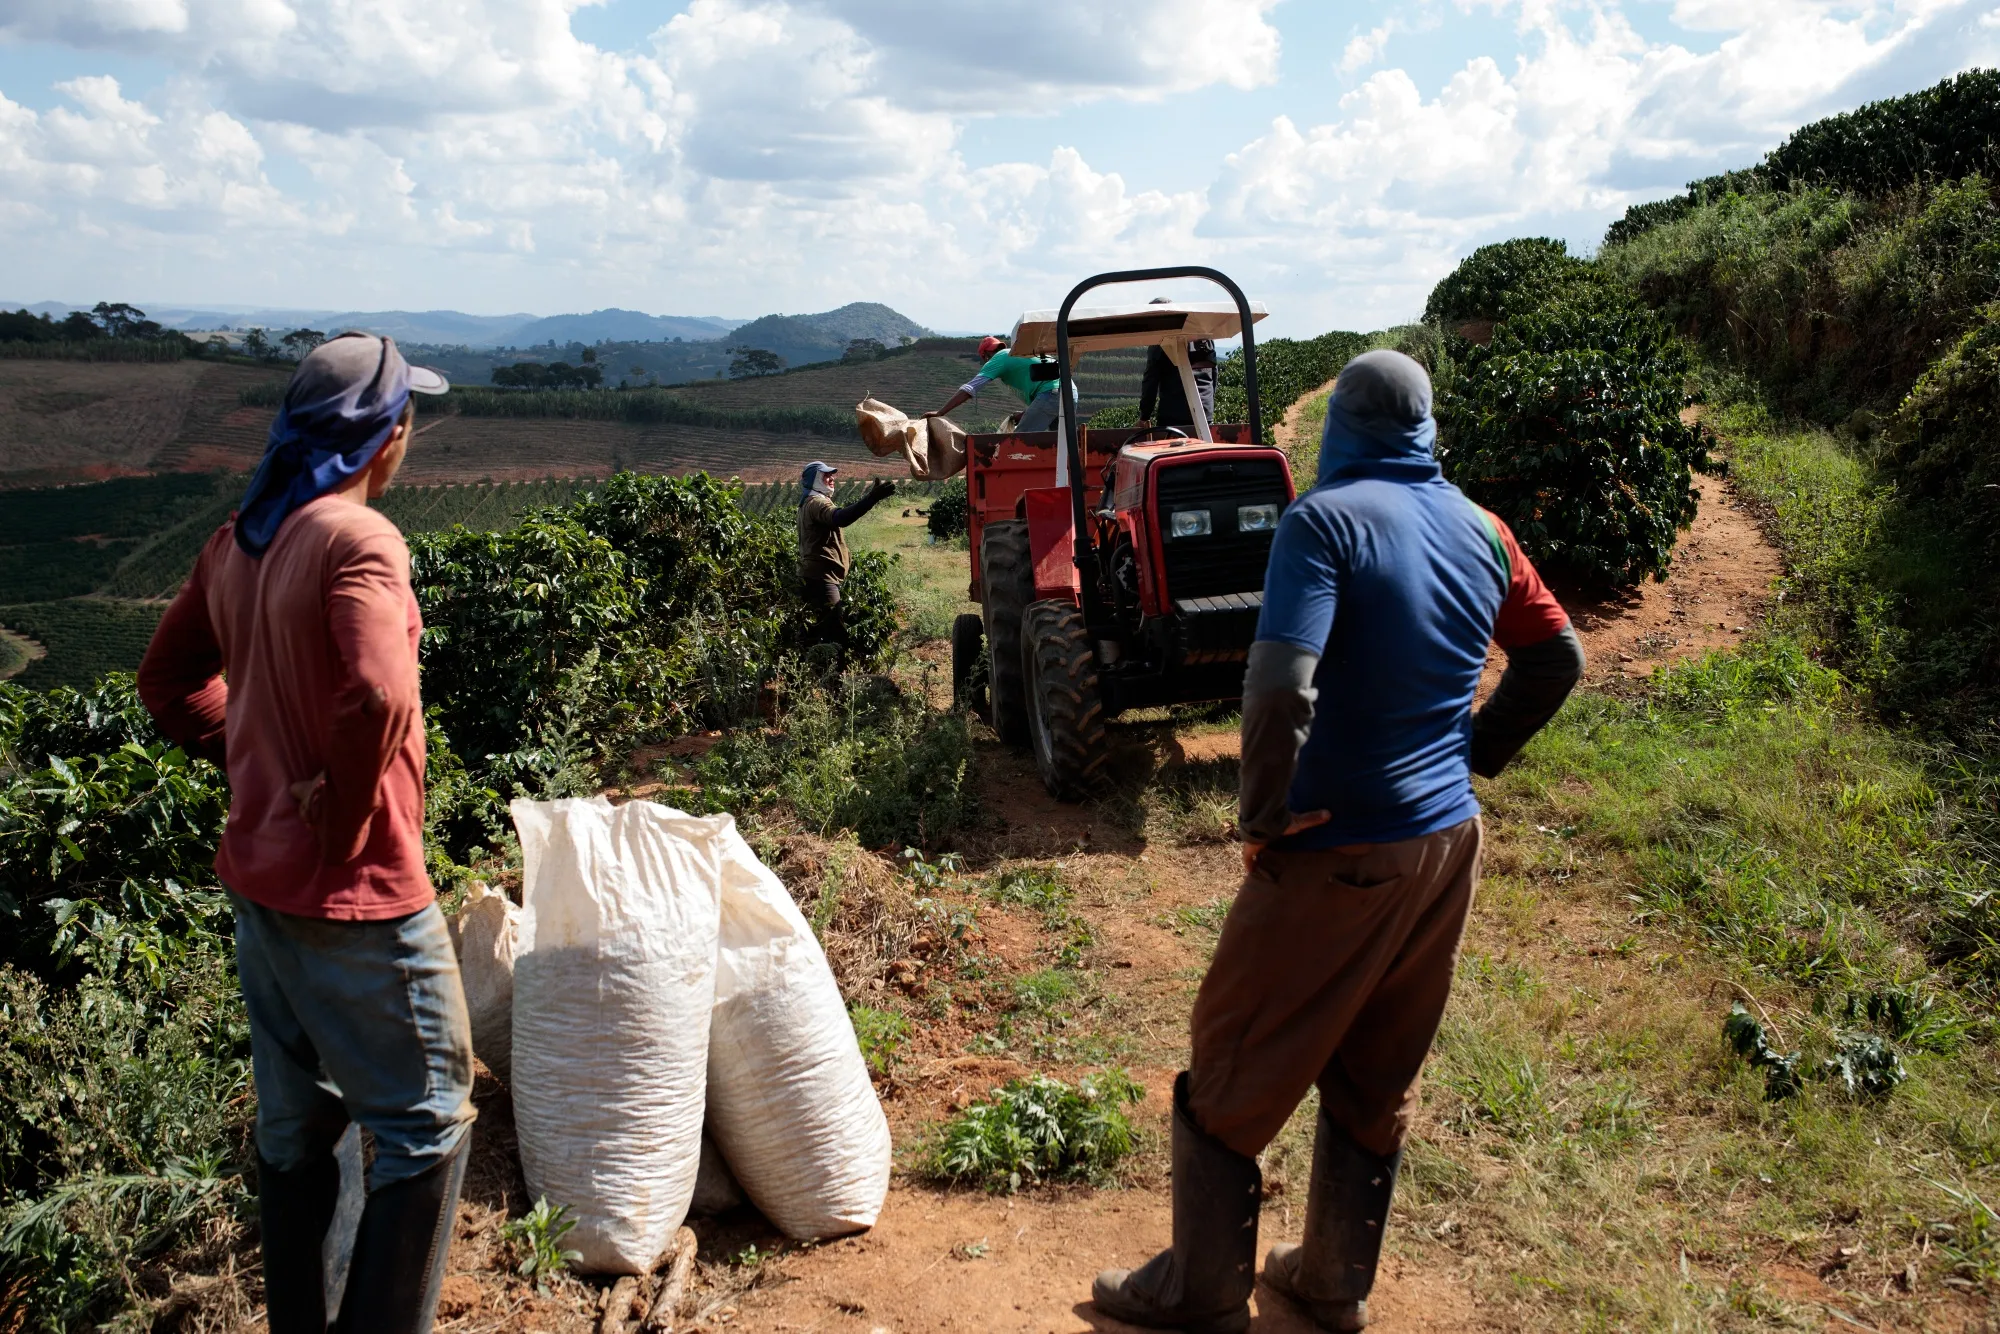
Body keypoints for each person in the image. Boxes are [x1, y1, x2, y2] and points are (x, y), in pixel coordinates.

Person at [1092, 350, 1585, 1334]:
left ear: (1340, 427)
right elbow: (1555, 657)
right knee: (1374, 1067)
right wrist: (1470, 753)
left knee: (1230, 1059)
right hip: (1447, 845)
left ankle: (1199, 1291)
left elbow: (1277, 684)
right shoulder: (1483, 528)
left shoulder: (1321, 522)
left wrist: (1262, 817)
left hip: (1339, 847)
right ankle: (1328, 1280)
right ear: (1424, 425)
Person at [138, 333, 472, 1334]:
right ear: (388, 432)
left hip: (260, 884)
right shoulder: (357, 540)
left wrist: (257, 763)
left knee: (297, 1131)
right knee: (426, 1125)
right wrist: (343, 803)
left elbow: (167, 683)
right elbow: (375, 689)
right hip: (355, 893)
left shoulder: (241, 540)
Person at [797, 460, 895, 652]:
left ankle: (807, 673)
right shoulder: (816, 503)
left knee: (815, 630)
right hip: (821, 578)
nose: (831, 478)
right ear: (813, 480)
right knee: (837, 633)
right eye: (825, 475)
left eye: (831, 475)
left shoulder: (810, 502)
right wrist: (871, 499)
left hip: (815, 576)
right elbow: (841, 518)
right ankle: (835, 679)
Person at [927, 333, 1074, 431]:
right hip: (1070, 392)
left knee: (1021, 443)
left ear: (985, 356)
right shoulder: (1016, 354)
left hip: (1052, 395)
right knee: (1058, 443)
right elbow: (1045, 390)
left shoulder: (999, 358)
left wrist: (940, 413)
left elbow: (970, 388)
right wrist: (1026, 413)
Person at [1136, 296, 1217, 431]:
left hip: (1173, 415)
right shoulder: (1204, 337)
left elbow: (1150, 381)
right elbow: (1214, 375)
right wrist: (1207, 402)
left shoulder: (1161, 342)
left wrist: (1144, 416)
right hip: (1205, 413)